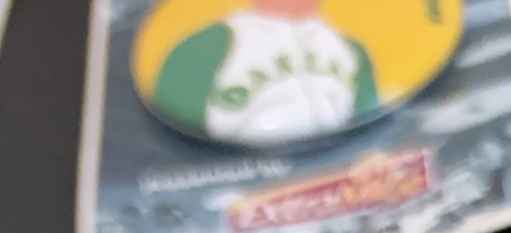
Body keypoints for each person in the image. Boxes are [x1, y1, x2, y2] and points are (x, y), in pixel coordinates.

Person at [146, 0, 379, 145]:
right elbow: (172, 140)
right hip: (242, 178)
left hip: (333, 172)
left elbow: (369, 136)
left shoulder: (351, 50)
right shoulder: (206, 46)